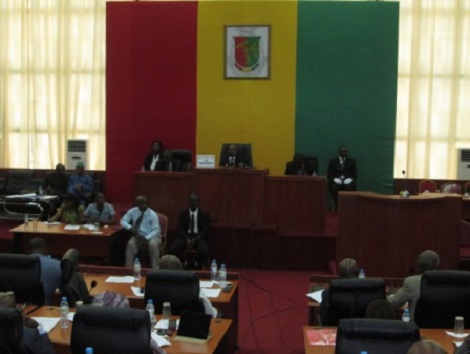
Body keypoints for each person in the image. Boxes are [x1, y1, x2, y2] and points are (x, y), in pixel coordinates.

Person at [387, 250, 440, 321]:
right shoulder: (445, 282)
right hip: (441, 328)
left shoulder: (411, 282)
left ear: (419, 266)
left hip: (415, 328)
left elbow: (393, 304)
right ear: (438, 265)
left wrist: (388, 296)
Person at [168, 194, 210, 270]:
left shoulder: (204, 214)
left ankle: (195, 263)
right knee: (172, 250)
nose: (194, 203)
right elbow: (181, 228)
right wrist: (187, 238)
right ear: (189, 202)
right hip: (185, 236)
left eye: (196, 202)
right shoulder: (183, 213)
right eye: (192, 202)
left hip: (198, 237)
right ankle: (184, 262)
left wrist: (196, 238)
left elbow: (205, 229)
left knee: (205, 252)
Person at [121, 195, 161, 269]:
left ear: (148, 203)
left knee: (153, 244)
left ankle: (155, 269)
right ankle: (128, 269)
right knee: (130, 244)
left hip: (151, 236)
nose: (143, 205)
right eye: (140, 204)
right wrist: (130, 228)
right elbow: (123, 221)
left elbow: (156, 230)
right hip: (138, 236)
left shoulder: (152, 214)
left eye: (145, 203)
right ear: (137, 204)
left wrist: (146, 237)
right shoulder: (132, 211)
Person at [320, 258, 359, 325]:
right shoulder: (369, 293)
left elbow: (324, 320)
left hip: (335, 332)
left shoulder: (327, 293)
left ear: (339, 274)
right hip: (360, 332)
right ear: (357, 274)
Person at [26, 237, 61, 306]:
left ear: (28, 252)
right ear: (46, 250)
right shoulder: (58, 265)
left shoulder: (19, 265)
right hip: (46, 309)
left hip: (22, 308)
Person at [327, 144, 357, 212]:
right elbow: (329, 174)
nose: (344, 153)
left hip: (347, 180)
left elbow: (355, 175)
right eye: (342, 151)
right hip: (336, 180)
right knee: (334, 187)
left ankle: (347, 207)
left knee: (349, 186)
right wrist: (334, 179)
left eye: (345, 151)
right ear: (339, 152)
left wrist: (350, 179)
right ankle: (337, 205)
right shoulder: (333, 161)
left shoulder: (352, 161)